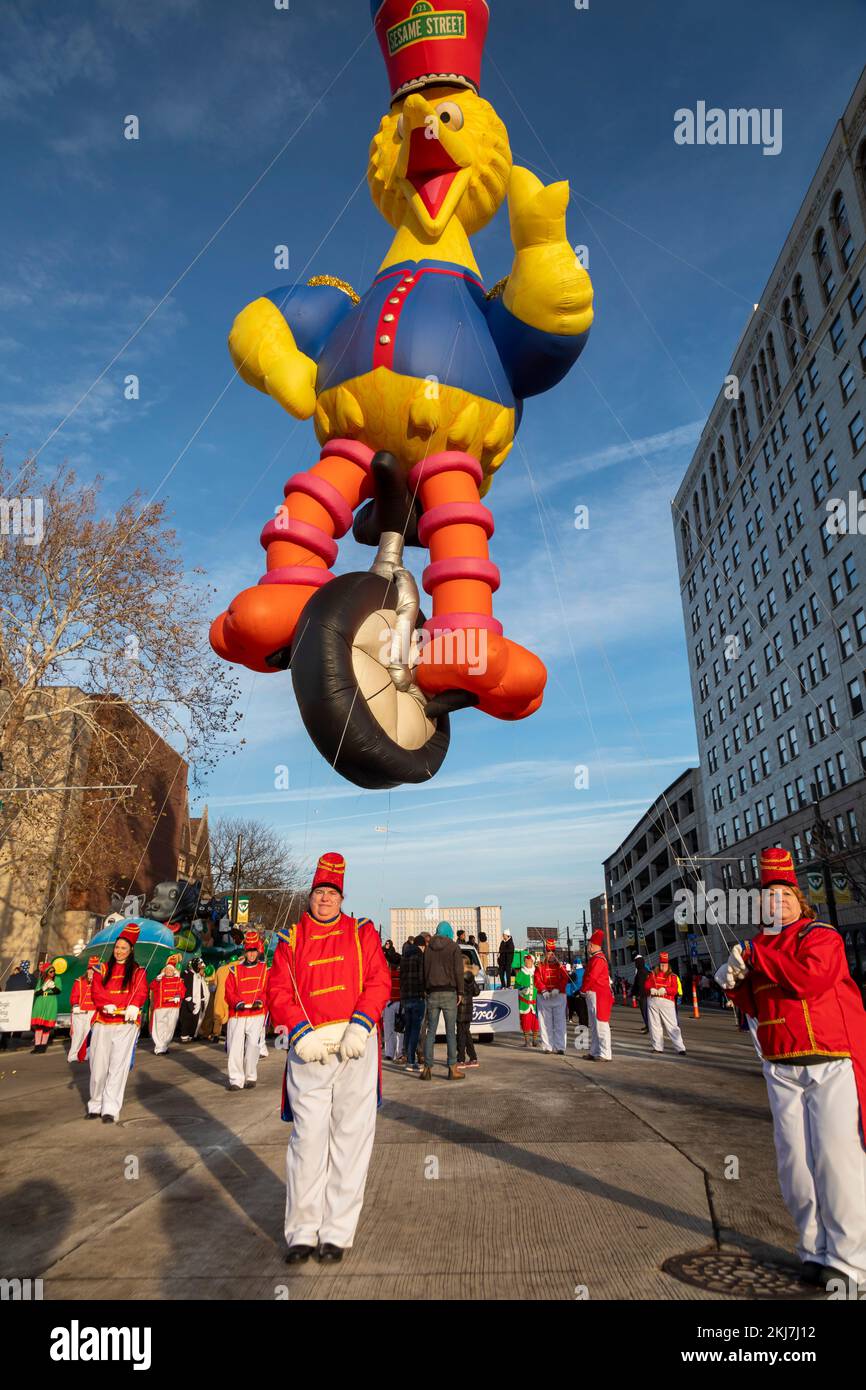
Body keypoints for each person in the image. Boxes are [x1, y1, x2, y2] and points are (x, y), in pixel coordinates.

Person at [716, 846, 866, 1291]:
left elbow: (809, 981)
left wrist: (756, 960)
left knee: (837, 1163)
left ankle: (851, 1262)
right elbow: (758, 1007)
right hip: (781, 1065)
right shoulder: (758, 947)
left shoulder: (820, 936)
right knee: (795, 1166)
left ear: (799, 901)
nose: (775, 902)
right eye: (767, 896)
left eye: (783, 895)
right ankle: (814, 1250)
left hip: (830, 1062)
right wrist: (734, 983)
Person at [267, 851, 390, 1264]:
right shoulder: (289, 941)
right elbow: (279, 991)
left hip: (356, 1047)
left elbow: (378, 980)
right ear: (310, 895)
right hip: (310, 1051)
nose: (325, 900)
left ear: (341, 897)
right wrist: (298, 1033)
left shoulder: (363, 932)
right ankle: (301, 1230)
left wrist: (360, 1025)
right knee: (308, 1140)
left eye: (332, 893)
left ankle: (337, 1232)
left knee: (351, 1140)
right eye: (320, 892)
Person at [87, 923, 148, 1122]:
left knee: (117, 1066)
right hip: (103, 1022)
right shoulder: (101, 969)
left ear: (130, 951)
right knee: (98, 1067)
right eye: (117, 947)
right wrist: (105, 1004)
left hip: (125, 1024)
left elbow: (140, 992)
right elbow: (96, 991)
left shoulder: (138, 972)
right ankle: (95, 1103)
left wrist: (135, 1006)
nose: (119, 951)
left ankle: (110, 1108)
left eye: (123, 948)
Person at [420, 922, 465, 1081]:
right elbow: (458, 971)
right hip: (449, 993)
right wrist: (460, 991)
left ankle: (427, 1068)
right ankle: (452, 1069)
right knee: (450, 1032)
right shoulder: (453, 947)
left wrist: (426, 989)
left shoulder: (428, 948)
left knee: (430, 1032)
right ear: (449, 932)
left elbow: (424, 970)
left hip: (432, 993)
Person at [224, 932, 269, 1091]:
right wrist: (238, 1002)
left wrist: (261, 1001)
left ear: (258, 951)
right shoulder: (234, 970)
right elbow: (228, 992)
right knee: (235, 1047)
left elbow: (267, 990)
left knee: (252, 1046)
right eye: (249, 950)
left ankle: (251, 1075)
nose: (251, 954)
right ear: (245, 951)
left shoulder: (264, 970)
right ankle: (236, 1079)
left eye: (254, 950)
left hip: (256, 1014)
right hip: (238, 1014)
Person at [644, 953, 686, 1055]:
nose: (663, 967)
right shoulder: (652, 974)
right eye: (661, 964)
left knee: (672, 1025)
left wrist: (665, 990)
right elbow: (646, 985)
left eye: (665, 965)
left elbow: (675, 990)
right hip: (653, 1001)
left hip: (667, 1002)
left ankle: (680, 1047)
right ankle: (657, 1047)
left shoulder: (673, 977)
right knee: (654, 1025)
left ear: (668, 965)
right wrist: (651, 989)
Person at [580, 930, 613, 1061]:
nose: (588, 947)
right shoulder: (596, 958)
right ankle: (594, 1051)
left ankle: (605, 1053)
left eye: (589, 945)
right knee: (594, 1025)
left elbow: (592, 977)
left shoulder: (598, 959)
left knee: (601, 1025)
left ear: (593, 945)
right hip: (594, 994)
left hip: (598, 995)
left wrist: (583, 989)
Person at [534, 942, 569, 1053]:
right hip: (544, 997)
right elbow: (537, 979)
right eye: (549, 952)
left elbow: (564, 979)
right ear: (545, 953)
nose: (551, 955)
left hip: (558, 997)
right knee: (545, 1023)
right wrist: (543, 990)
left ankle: (560, 1047)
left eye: (553, 952)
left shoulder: (561, 966)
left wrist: (557, 989)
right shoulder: (540, 966)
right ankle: (547, 1046)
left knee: (560, 1022)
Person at [149, 953, 185, 1055]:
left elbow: (182, 990)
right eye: (167, 970)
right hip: (161, 1006)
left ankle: (164, 1046)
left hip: (173, 1007)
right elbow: (152, 986)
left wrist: (178, 995)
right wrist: (156, 980)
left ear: (174, 971)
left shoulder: (179, 980)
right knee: (159, 1026)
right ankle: (159, 1047)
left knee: (170, 1027)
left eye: (171, 970)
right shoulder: (160, 980)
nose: (169, 971)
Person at [399, 936, 425, 1073]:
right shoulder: (419, 956)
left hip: (405, 997)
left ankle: (408, 1058)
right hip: (416, 996)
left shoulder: (404, 957)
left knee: (408, 1029)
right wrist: (423, 993)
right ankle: (410, 1061)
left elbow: (401, 978)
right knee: (416, 1029)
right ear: (421, 946)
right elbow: (422, 977)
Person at [68, 957, 102, 1062]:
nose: (91, 971)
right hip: (80, 1012)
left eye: (94, 970)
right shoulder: (79, 981)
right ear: (87, 970)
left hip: (92, 1012)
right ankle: (73, 1055)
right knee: (77, 1035)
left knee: (89, 1035)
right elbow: (74, 995)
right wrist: (75, 1005)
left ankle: (86, 1054)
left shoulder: (99, 983)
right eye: (90, 969)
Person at [1, 960, 34, 1051]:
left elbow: (7, 989)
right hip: (22, 1004)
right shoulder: (30, 978)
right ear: (28, 967)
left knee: (9, 1024)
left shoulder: (12, 977)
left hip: (11, 1003)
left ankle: (3, 1044)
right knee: (19, 1024)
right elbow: (34, 989)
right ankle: (14, 1044)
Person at [457, 952, 482, 1069]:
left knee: (461, 1034)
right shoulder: (471, 977)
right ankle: (473, 1058)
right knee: (466, 1033)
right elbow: (477, 992)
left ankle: (461, 1059)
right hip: (469, 1008)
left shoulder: (459, 977)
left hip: (460, 1008)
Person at [30, 964, 61, 1052]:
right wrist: (43, 988)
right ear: (47, 972)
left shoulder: (57, 979)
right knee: (38, 1026)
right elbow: (36, 993)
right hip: (40, 1001)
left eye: (54, 971)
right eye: (51, 971)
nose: (53, 973)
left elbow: (58, 991)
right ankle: (37, 1047)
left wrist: (53, 986)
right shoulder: (41, 980)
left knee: (46, 1026)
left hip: (50, 1001)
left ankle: (42, 1047)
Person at [178, 956, 208, 1042]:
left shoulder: (198, 976)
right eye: (199, 966)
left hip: (197, 1000)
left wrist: (202, 998)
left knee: (194, 1019)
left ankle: (190, 1035)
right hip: (188, 1000)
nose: (201, 968)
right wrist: (188, 998)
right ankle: (184, 1035)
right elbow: (186, 987)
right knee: (186, 1018)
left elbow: (201, 987)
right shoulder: (187, 974)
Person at [514, 951, 539, 1047]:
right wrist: (522, 989)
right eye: (526, 961)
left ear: (532, 962)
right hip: (525, 1002)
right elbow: (516, 984)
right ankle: (527, 1040)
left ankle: (535, 1040)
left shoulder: (536, 972)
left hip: (536, 1002)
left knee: (536, 1022)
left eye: (529, 961)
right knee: (525, 1021)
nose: (527, 963)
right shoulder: (521, 973)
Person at [382, 956, 403, 1061]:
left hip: (389, 1003)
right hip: (400, 1003)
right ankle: (399, 1053)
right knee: (400, 1030)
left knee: (388, 1029)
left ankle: (389, 1053)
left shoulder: (386, 975)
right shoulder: (402, 975)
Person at [630, 954, 649, 1031]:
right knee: (644, 1011)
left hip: (643, 995)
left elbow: (640, 984)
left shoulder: (642, 971)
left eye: (636, 962)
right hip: (644, 994)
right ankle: (647, 1025)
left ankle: (648, 1026)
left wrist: (637, 994)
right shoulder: (643, 970)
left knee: (645, 1011)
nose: (635, 964)